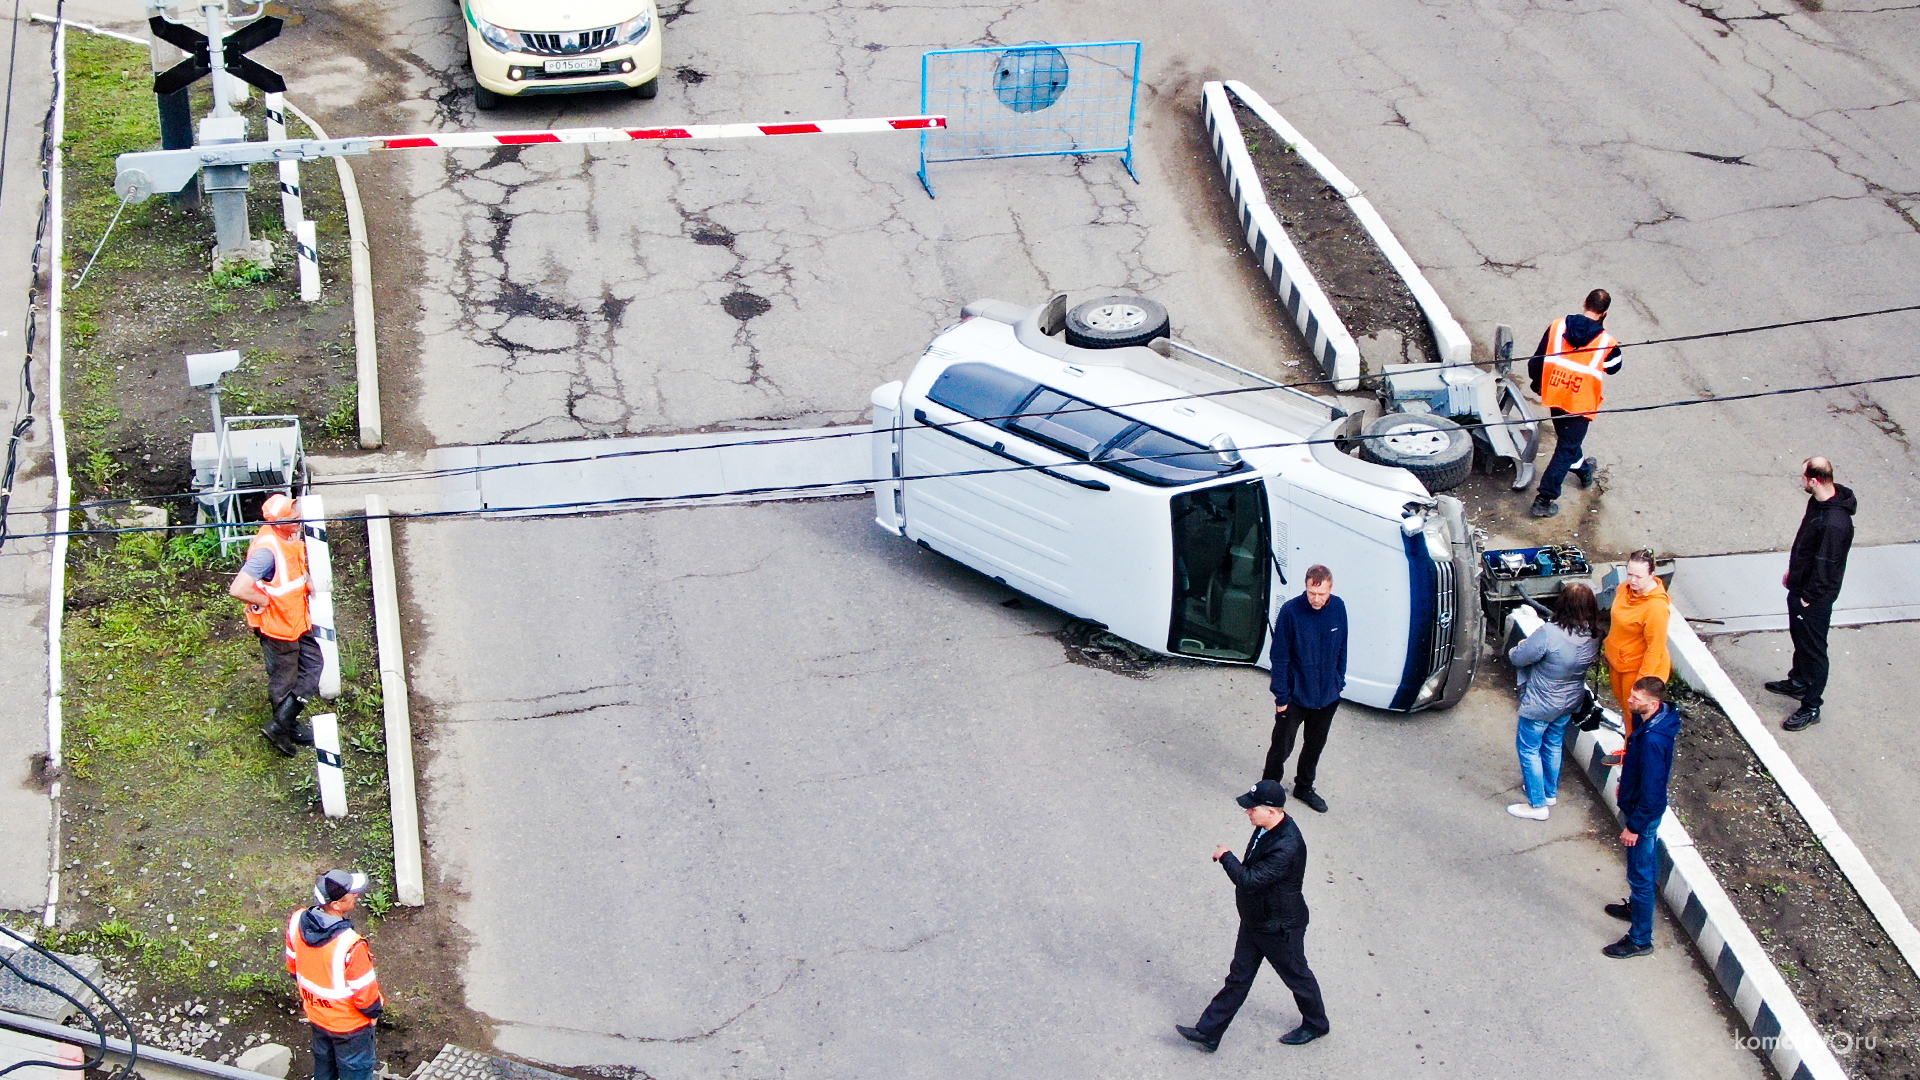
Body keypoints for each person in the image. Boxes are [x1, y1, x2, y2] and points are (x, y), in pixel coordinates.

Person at [1177, 780, 1329, 1052]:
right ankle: (1209, 1032)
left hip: (1279, 927)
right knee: (1238, 977)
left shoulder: (1287, 846)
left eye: (1252, 808)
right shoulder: (1265, 827)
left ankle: (1316, 1024)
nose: (1247, 812)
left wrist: (1226, 856)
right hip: (1256, 920)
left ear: (1272, 811)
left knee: (1297, 975)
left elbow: (1248, 879)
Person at [1766, 457, 1857, 731]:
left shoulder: (1834, 523)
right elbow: (1808, 546)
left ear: (1814, 480)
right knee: (1800, 637)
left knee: (1814, 648)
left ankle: (1811, 705)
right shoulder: (1820, 502)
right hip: (1801, 584)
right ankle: (1798, 681)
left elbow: (1826, 564)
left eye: (1803, 477)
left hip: (1813, 596)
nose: (1801, 481)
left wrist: (1809, 595)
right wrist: (1794, 574)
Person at [229, 493, 320, 756]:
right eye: (294, 519)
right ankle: (283, 727)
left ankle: (282, 723)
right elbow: (239, 588)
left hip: (296, 620)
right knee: (284, 680)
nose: (300, 521)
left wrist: (307, 579)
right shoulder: (267, 551)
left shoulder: (288, 535)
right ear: (279, 522)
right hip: (278, 628)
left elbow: (293, 564)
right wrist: (263, 601)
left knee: (313, 667)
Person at [1505, 583, 1603, 821]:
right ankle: (1549, 792)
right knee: (1553, 744)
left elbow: (1519, 658)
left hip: (1541, 702)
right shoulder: (1595, 635)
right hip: (1570, 702)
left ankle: (1537, 805)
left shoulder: (1549, 633)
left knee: (1529, 749)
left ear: (1563, 605)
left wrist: (1518, 647)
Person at [1601, 678, 1680, 958]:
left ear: (1653, 703)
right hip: (1640, 811)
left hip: (1641, 818)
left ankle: (1640, 939)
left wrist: (1634, 827)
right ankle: (1635, 908)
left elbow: (1653, 790)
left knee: (1641, 876)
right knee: (1642, 871)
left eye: (1636, 698)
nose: (1630, 701)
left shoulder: (1652, 741)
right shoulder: (1654, 723)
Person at [1527, 289, 1623, 519]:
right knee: (1566, 448)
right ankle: (1544, 499)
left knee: (1568, 442)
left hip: (1555, 394)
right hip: (1580, 402)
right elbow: (1614, 367)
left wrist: (1537, 383)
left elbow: (1537, 359)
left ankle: (1582, 469)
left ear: (1584, 303)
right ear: (1605, 312)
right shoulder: (1606, 341)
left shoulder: (1558, 326)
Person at [1263, 566, 1347, 814]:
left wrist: (1338, 682)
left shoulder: (1339, 607)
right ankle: (1268, 791)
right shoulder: (1290, 611)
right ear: (1306, 586)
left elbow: (1343, 647)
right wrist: (1282, 696)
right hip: (1295, 697)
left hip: (1327, 697)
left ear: (1330, 588)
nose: (1316, 599)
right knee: (1280, 748)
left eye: (1321, 594)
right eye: (1312, 593)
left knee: (1314, 746)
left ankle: (1304, 787)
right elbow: (1279, 657)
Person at [286, 870, 384, 1080]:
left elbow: (293, 967)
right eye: (351, 893)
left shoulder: (297, 922)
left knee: (324, 1065)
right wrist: (374, 1014)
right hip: (351, 1027)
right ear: (336, 905)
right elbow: (366, 995)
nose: (356, 894)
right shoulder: (350, 945)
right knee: (355, 1071)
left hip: (317, 1016)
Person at [1601, 550, 1670, 766]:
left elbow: (1655, 648)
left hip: (1638, 669)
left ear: (1652, 574)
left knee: (1637, 716)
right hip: (1619, 662)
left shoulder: (1656, 608)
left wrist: (1642, 685)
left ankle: (1636, 758)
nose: (1632, 580)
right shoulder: (1624, 589)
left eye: (1638, 576)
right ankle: (1630, 750)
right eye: (1630, 574)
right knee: (1626, 709)